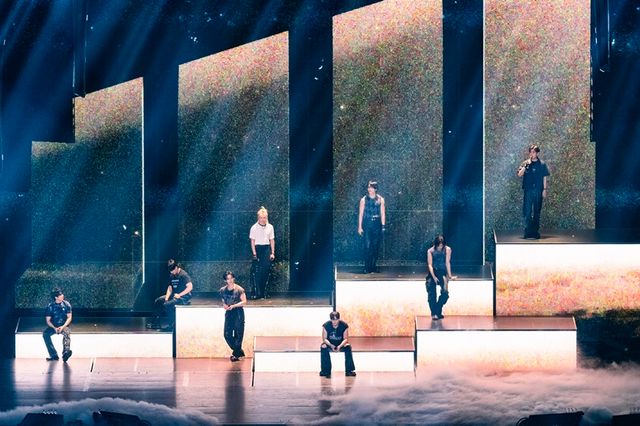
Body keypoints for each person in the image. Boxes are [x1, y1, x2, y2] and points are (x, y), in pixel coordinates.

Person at [147, 259, 193, 330]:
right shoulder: (172, 275)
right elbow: (170, 288)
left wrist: (180, 295)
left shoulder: (183, 275)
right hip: (174, 295)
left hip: (183, 297)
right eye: (170, 270)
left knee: (168, 305)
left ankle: (171, 325)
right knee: (158, 301)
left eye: (172, 270)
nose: (171, 272)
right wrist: (166, 299)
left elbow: (190, 287)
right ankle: (155, 323)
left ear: (176, 267)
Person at [517, 144, 550, 239]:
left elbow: (544, 177)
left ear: (537, 153)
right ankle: (528, 231)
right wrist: (525, 165)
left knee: (537, 212)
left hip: (538, 190)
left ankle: (535, 231)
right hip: (528, 191)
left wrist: (544, 190)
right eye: (530, 152)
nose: (532, 154)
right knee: (527, 211)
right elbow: (519, 174)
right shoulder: (525, 163)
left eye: (534, 152)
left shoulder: (542, 164)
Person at [357, 181, 386, 273]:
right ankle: (367, 267)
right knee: (367, 246)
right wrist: (360, 227)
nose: (369, 189)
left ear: (375, 189)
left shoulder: (380, 199)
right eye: (368, 187)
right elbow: (361, 214)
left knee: (375, 247)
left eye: (371, 187)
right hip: (367, 224)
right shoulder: (364, 199)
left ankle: (373, 266)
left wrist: (383, 226)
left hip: (377, 224)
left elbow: (382, 213)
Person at [220, 271, 247, 362]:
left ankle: (236, 355)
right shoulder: (222, 290)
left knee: (238, 334)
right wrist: (224, 305)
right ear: (225, 280)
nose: (230, 280)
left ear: (234, 278)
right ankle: (239, 352)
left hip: (238, 312)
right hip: (229, 312)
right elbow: (223, 300)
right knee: (227, 334)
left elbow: (244, 301)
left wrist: (234, 305)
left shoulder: (239, 289)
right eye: (228, 279)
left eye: (231, 278)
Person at [319, 311, 356, 378]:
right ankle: (325, 371)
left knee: (348, 346)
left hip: (340, 343)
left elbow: (345, 339)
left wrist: (339, 346)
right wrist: (331, 345)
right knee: (323, 346)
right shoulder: (326, 325)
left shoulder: (344, 325)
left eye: (336, 320)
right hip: (330, 343)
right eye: (333, 320)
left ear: (339, 319)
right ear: (330, 319)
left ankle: (349, 371)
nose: (334, 322)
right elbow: (324, 339)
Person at [426, 235, 455, 320]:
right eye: (439, 245)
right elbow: (430, 265)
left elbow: (447, 262)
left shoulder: (447, 249)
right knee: (431, 294)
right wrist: (434, 277)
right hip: (433, 273)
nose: (440, 247)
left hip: (442, 272)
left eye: (442, 245)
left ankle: (438, 310)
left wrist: (449, 275)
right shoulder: (430, 251)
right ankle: (434, 313)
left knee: (445, 293)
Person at [249, 206, 275, 299]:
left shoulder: (270, 227)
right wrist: (254, 253)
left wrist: (272, 252)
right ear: (258, 218)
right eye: (261, 218)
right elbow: (252, 241)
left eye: (264, 218)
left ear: (266, 217)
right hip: (257, 249)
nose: (263, 219)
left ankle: (264, 292)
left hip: (266, 249)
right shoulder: (254, 227)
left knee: (266, 272)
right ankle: (257, 293)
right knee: (256, 273)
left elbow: (272, 240)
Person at [43, 288, 73, 362]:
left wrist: (63, 327)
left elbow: (69, 317)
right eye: (60, 295)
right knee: (45, 334)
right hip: (53, 326)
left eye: (62, 294)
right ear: (56, 297)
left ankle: (66, 353)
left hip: (63, 325)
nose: (62, 295)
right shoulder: (50, 306)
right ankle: (53, 355)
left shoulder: (67, 304)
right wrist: (54, 328)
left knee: (67, 332)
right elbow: (48, 321)